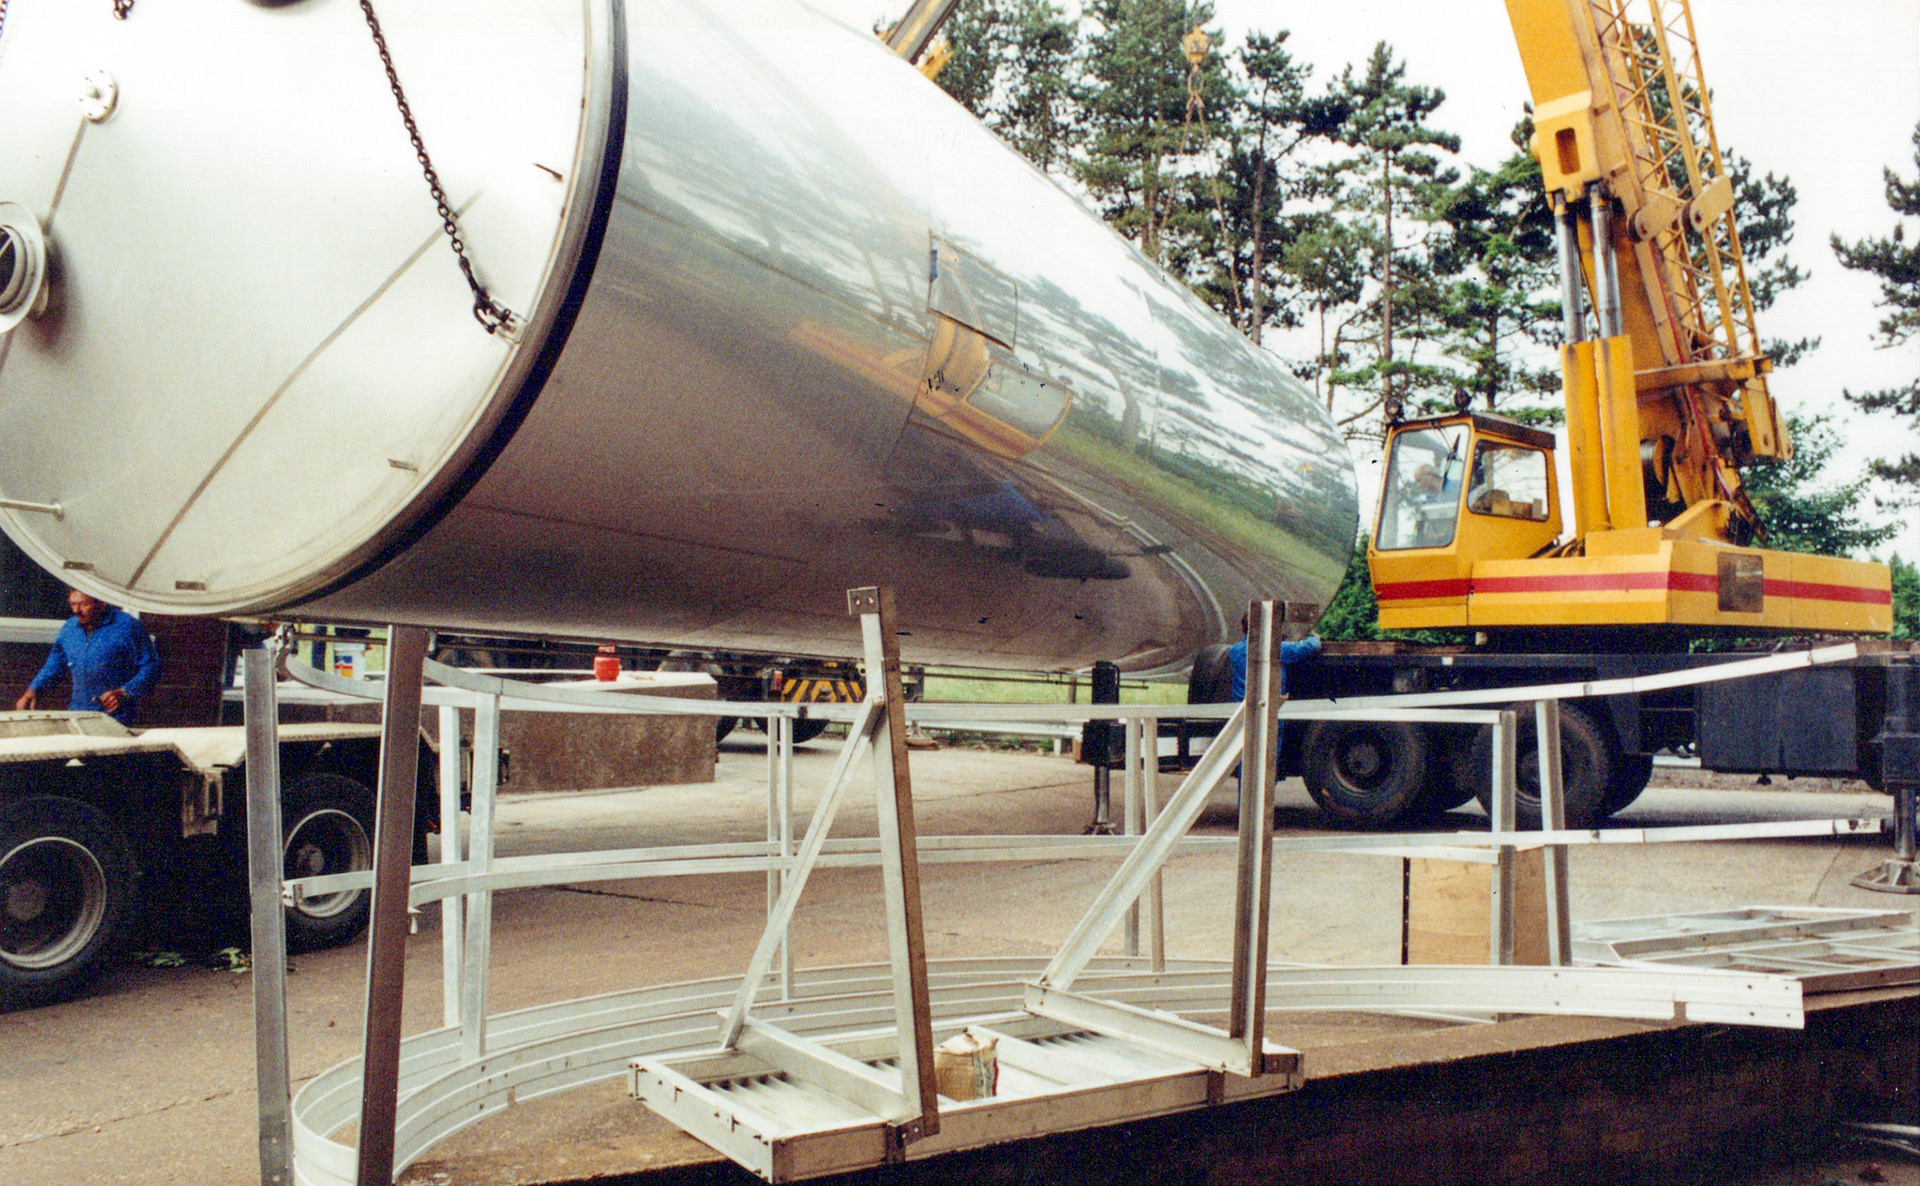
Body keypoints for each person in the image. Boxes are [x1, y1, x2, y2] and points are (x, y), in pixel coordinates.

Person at [14, 590, 162, 725]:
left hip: (116, 718)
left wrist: (126, 692)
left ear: (102, 602)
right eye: (73, 604)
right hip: (78, 715)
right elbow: (55, 664)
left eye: (83, 604)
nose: (76, 611)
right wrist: (34, 689)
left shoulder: (128, 627)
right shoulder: (69, 628)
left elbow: (152, 666)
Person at [1227, 611, 1322, 700]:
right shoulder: (1278, 649)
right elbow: (1312, 645)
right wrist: (1314, 636)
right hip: (1271, 710)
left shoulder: (1234, 651)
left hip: (1239, 711)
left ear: (1243, 629)